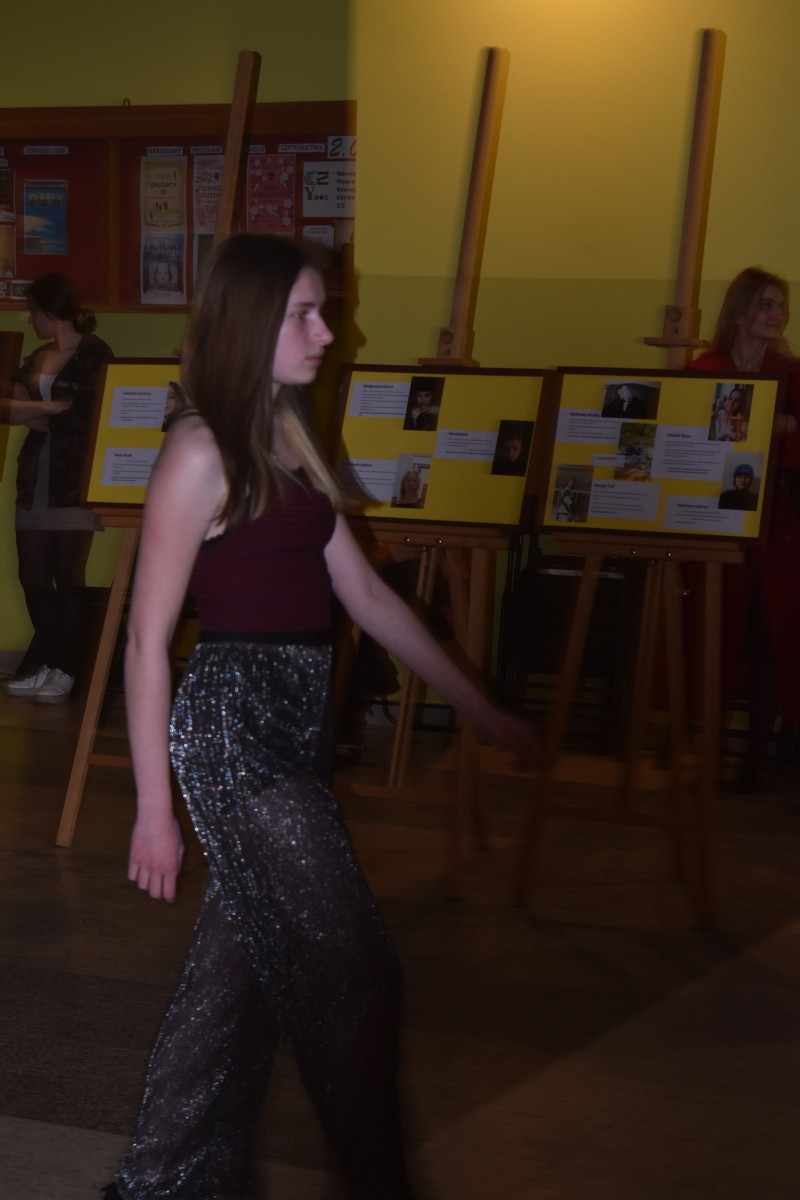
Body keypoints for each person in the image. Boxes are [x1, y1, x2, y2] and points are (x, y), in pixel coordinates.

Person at [104, 233, 543, 1200]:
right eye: (304, 313)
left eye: (321, 311)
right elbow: (145, 640)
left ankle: (166, 1181)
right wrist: (153, 810)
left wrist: (483, 708)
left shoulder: (286, 433)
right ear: (251, 321)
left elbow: (368, 597)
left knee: (238, 978)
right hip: (234, 734)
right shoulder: (198, 451)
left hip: (295, 726)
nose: (328, 331)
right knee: (357, 971)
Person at [690, 266, 800, 789]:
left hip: (780, 527)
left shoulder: (792, 373)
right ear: (740, 312)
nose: (777, 315)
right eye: (766, 304)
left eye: (780, 306)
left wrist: (769, 432)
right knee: (711, 634)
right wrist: (773, 427)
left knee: (768, 639)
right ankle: (705, 751)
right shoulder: (704, 370)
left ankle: (758, 757)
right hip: (716, 521)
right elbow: (693, 442)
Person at [0, 273, 112, 702]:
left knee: (66, 575)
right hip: (35, 476)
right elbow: (7, 409)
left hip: (73, 479)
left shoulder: (95, 354)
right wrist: (47, 407)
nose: (30, 321)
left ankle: (66, 668)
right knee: (30, 575)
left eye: (33, 312)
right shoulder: (37, 356)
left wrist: (33, 413)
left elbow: (83, 420)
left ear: (50, 311)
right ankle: (48, 660)